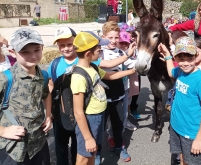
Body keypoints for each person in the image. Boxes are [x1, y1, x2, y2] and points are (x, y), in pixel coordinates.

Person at [47, 27, 137, 165]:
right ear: (89, 53)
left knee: (91, 153)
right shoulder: (79, 76)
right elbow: (78, 111)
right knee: (83, 157)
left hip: (97, 116)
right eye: (98, 50)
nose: (101, 52)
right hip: (88, 119)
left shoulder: (93, 67)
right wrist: (88, 137)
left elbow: (110, 76)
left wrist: (133, 71)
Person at [0, 28, 52, 164]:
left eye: (36, 50)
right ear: (12, 52)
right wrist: (3, 130)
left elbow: (46, 94)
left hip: (38, 143)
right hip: (14, 147)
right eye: (25, 52)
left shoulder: (43, 75)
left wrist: (48, 116)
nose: (33, 56)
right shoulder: (5, 79)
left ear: (42, 48)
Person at [158, 36, 201, 165]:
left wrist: (199, 139)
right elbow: (171, 72)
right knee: (182, 157)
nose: (186, 63)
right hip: (176, 126)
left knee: (193, 162)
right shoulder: (181, 71)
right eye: (181, 59)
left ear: (197, 56)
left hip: (191, 132)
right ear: (176, 59)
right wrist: (167, 56)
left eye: (190, 58)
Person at [99, 21, 136, 162]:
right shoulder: (99, 53)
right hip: (102, 97)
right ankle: (97, 151)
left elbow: (131, 63)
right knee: (100, 126)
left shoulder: (121, 52)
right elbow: (109, 66)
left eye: (116, 38)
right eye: (110, 38)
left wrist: (144, 61)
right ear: (103, 37)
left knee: (118, 122)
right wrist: (127, 56)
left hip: (118, 95)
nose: (114, 41)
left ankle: (120, 146)